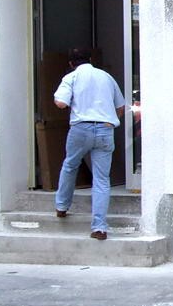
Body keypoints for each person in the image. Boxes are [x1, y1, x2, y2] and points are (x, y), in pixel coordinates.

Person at [53, 48, 125, 240]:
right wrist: (109, 121)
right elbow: (120, 107)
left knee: (70, 165)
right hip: (105, 129)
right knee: (102, 179)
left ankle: (62, 206)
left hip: (81, 129)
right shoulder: (106, 77)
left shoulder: (71, 77)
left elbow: (61, 103)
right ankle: (99, 228)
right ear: (91, 59)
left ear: (71, 63)